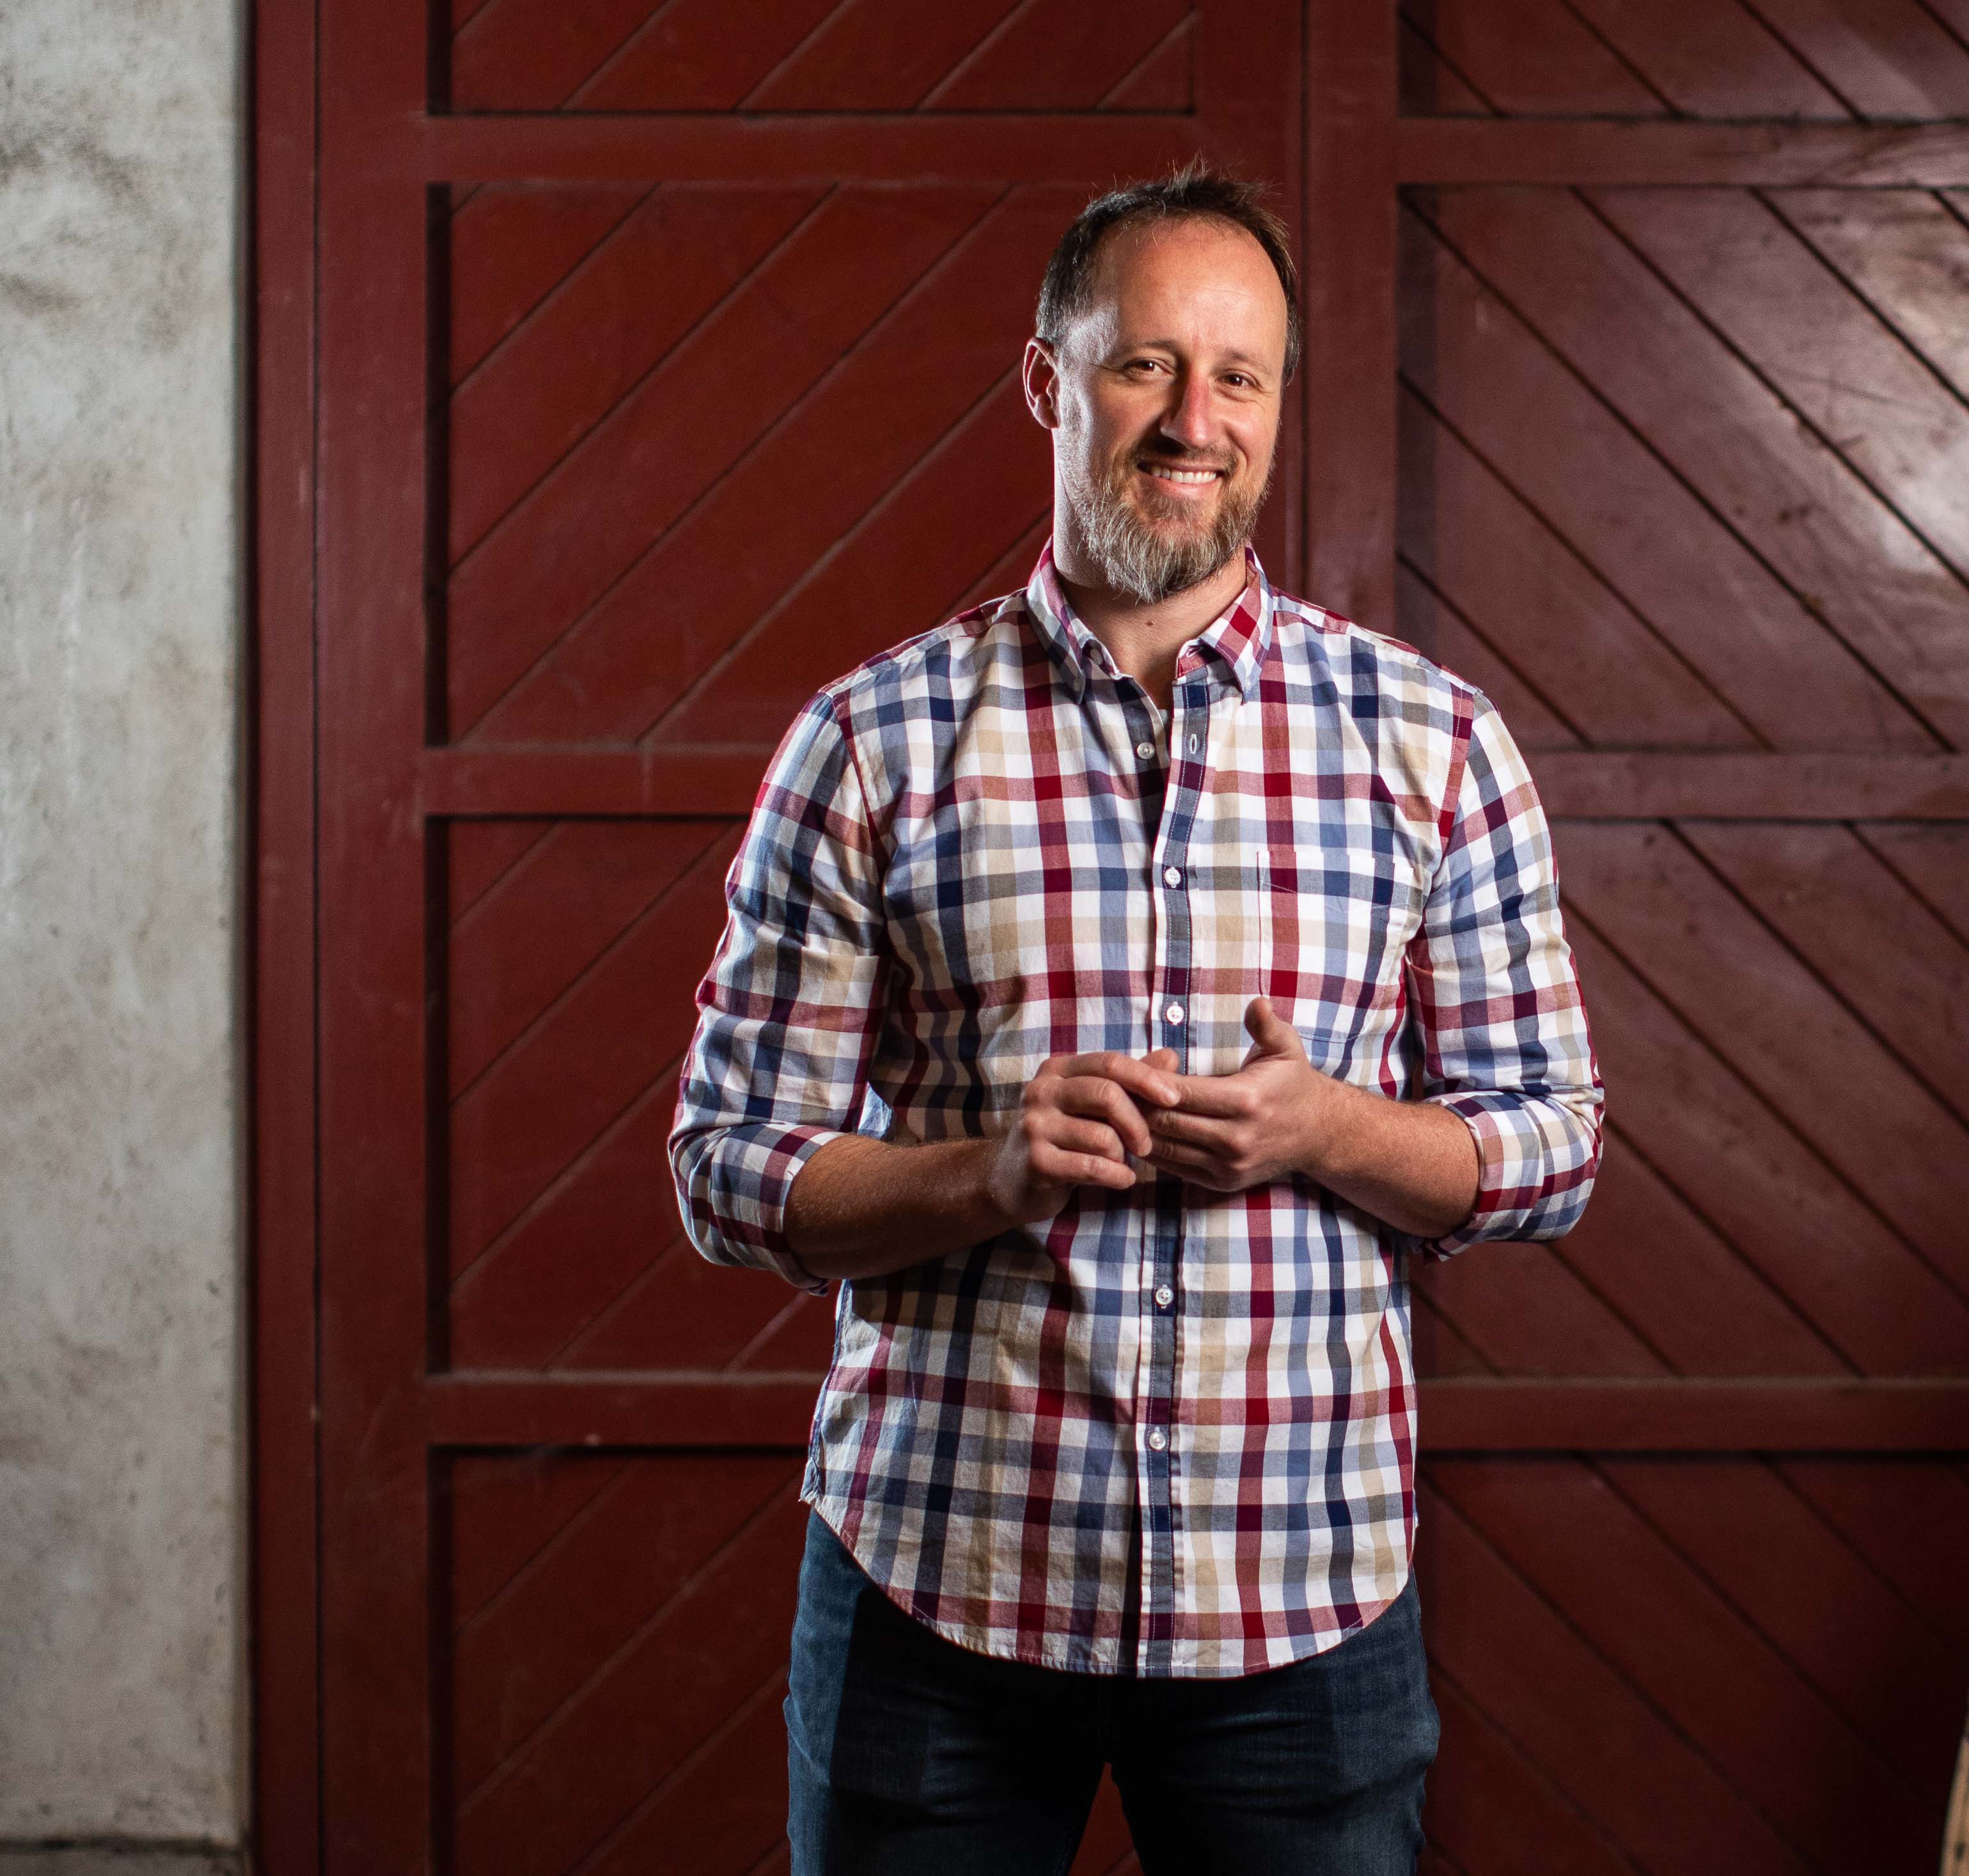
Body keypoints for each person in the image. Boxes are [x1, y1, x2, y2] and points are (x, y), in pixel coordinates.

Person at [668, 164, 1604, 1875]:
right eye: (1142, 365)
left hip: (1302, 1601)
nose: (1193, 420)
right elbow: (728, 1171)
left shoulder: (1433, 744)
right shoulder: (871, 744)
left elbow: (1549, 1147)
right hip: (938, 1585)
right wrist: (987, 1176)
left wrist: (1330, 1128)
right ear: (1045, 381)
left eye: (1237, 376)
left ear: (1276, 409)